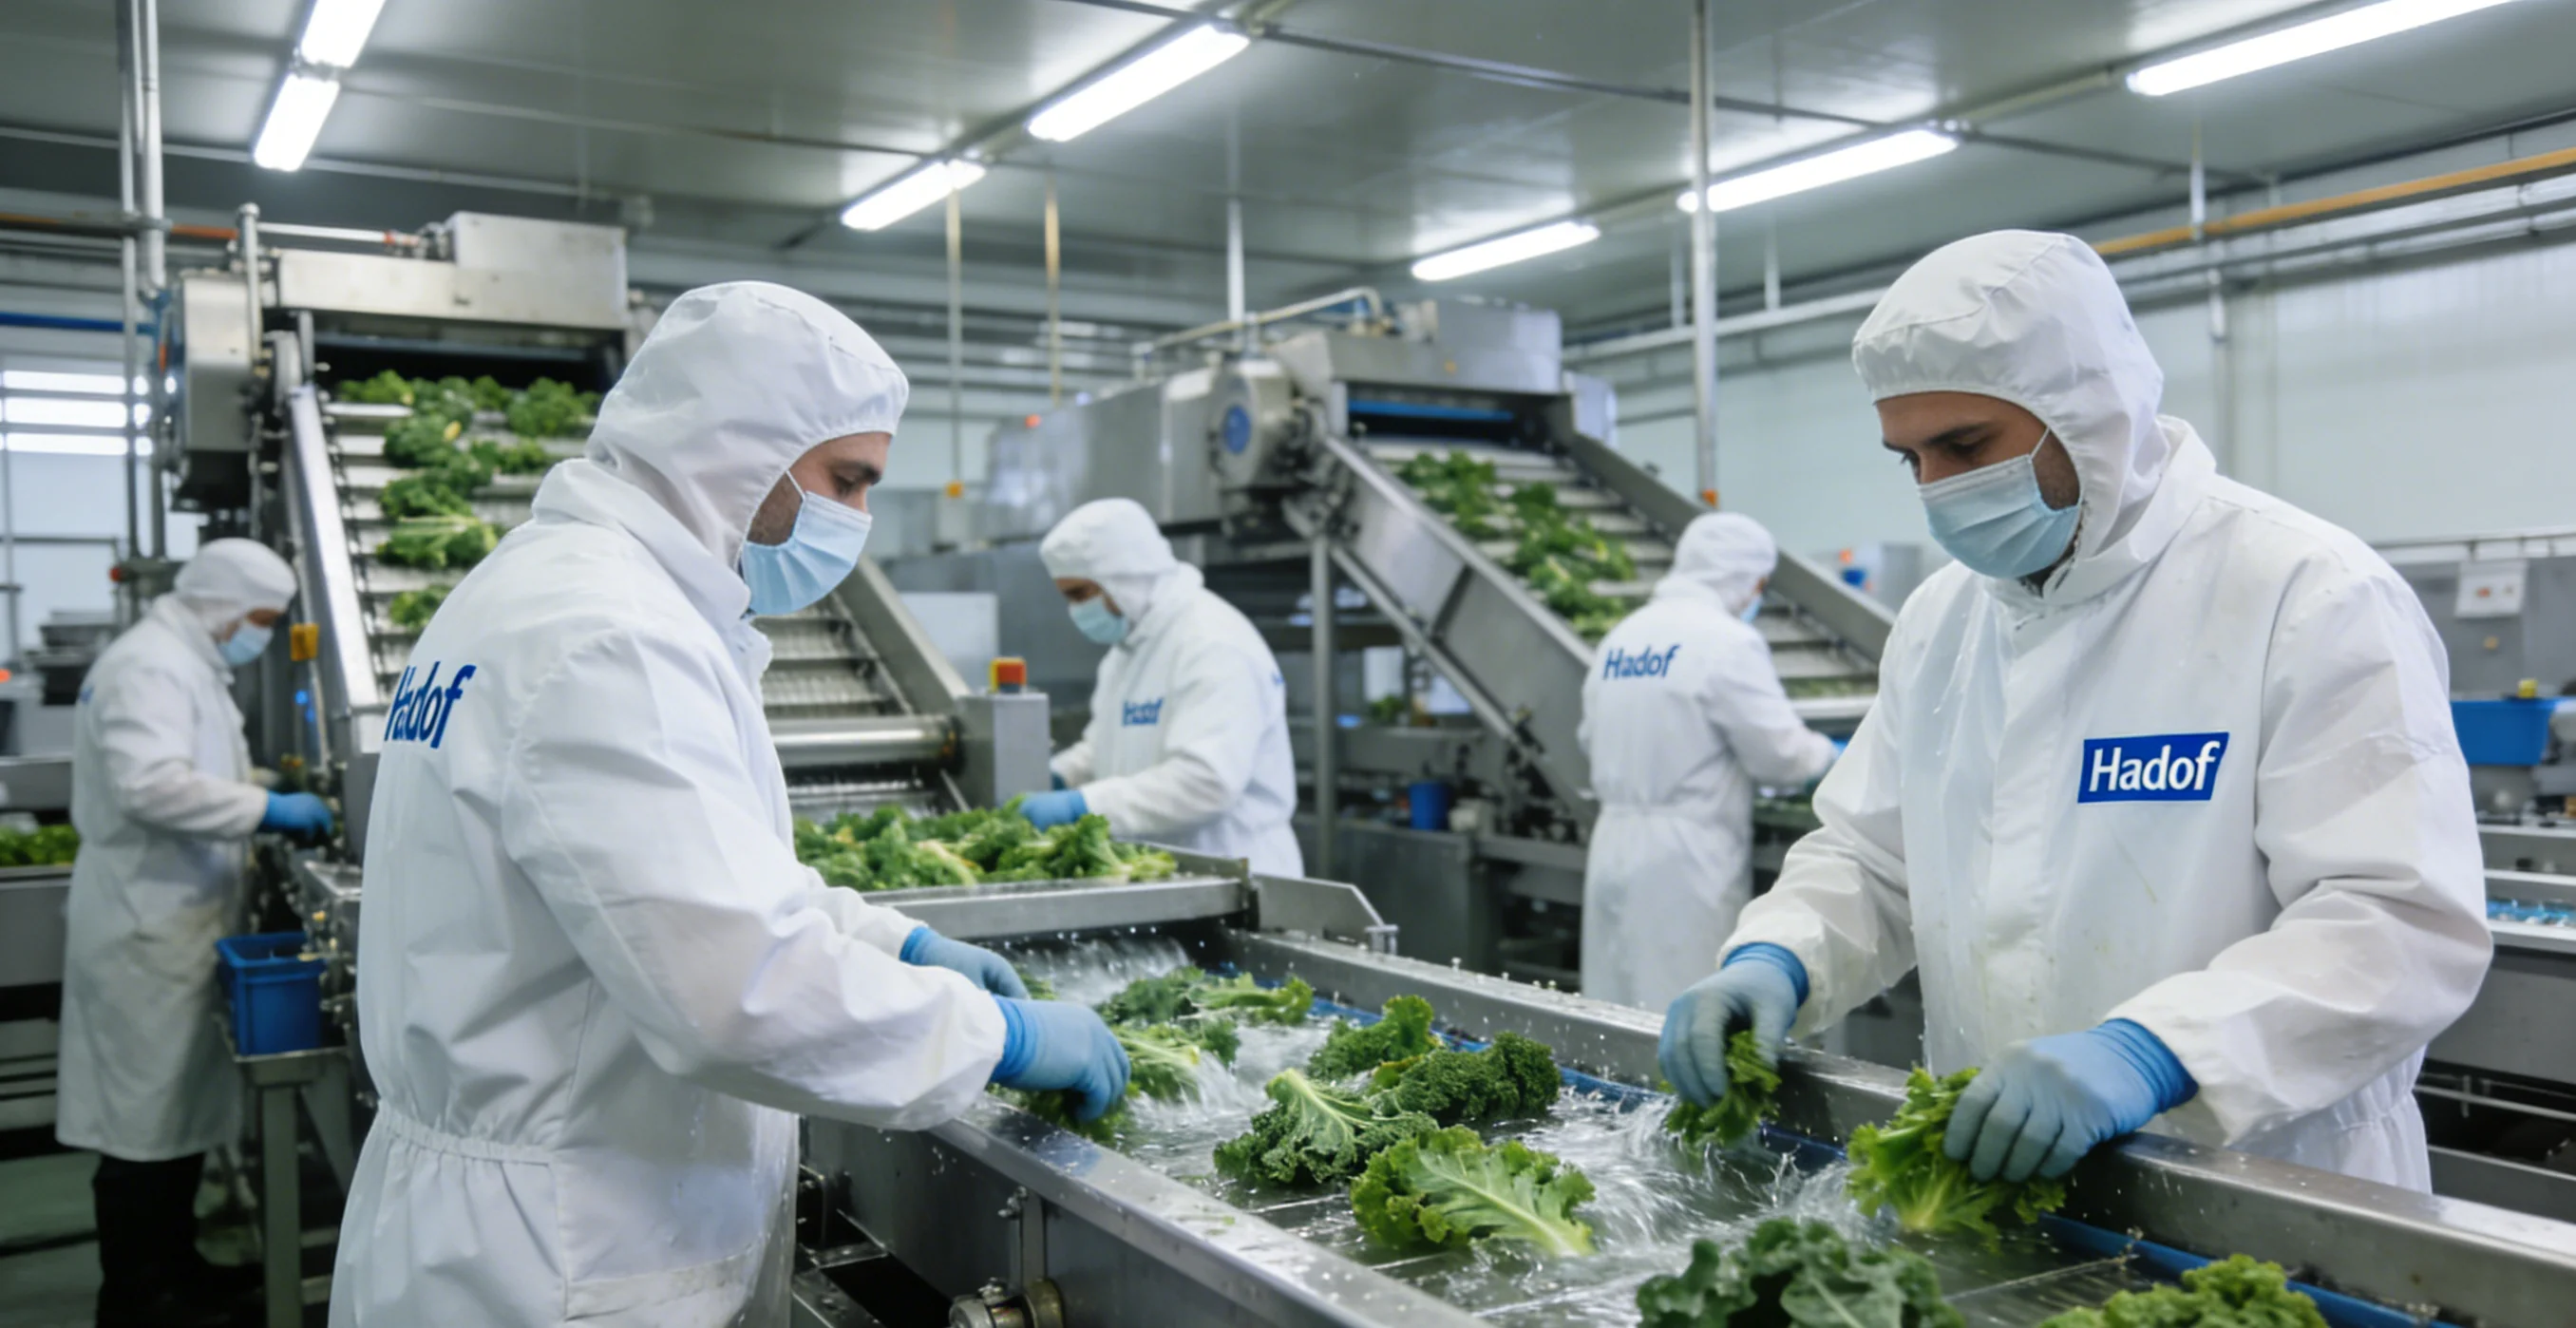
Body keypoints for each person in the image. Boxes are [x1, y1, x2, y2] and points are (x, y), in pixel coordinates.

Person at [328, 283, 1127, 1327]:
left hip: (525, 1218)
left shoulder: (531, 591)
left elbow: (697, 883)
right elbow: (736, 988)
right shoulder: (611, 635)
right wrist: (998, 1037)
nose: (859, 519)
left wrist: (900, 944)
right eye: (848, 479)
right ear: (739, 447)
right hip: (565, 1254)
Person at [1659, 230, 2489, 1192]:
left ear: (2090, 414)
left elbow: (2397, 921)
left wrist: (2154, 1052)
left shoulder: (2305, 592)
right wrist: (1779, 956)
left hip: (2272, 1177)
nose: (1938, 489)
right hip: (1989, 1174)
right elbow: (1872, 857)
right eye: (1910, 458)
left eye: (1967, 446)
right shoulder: (1941, 620)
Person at [56, 537, 329, 1328]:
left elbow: (190, 762)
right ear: (222, 605)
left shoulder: (183, 660)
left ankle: (177, 1269)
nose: (263, 635)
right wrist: (267, 811)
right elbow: (149, 786)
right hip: (149, 920)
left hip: (177, 914)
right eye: (261, 620)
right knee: (141, 1128)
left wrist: (258, 784)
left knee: (171, 1118)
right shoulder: (152, 664)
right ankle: (141, 1298)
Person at [1578, 512, 1839, 1012]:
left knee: (1615, 1003)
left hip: (1614, 842)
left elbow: (1589, 739)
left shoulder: (1622, 638)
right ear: (1748, 579)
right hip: (1686, 859)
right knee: (1685, 1004)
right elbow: (1780, 758)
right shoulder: (1726, 641)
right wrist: (1833, 755)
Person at [1018, 498, 1303, 876]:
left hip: (1238, 875)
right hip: (1171, 877)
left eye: (1080, 594)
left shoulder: (1211, 643)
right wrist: (1060, 776)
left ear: (1122, 578)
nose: (1075, 611)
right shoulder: (1128, 650)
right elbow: (1106, 745)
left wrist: (1082, 805)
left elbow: (1205, 783)